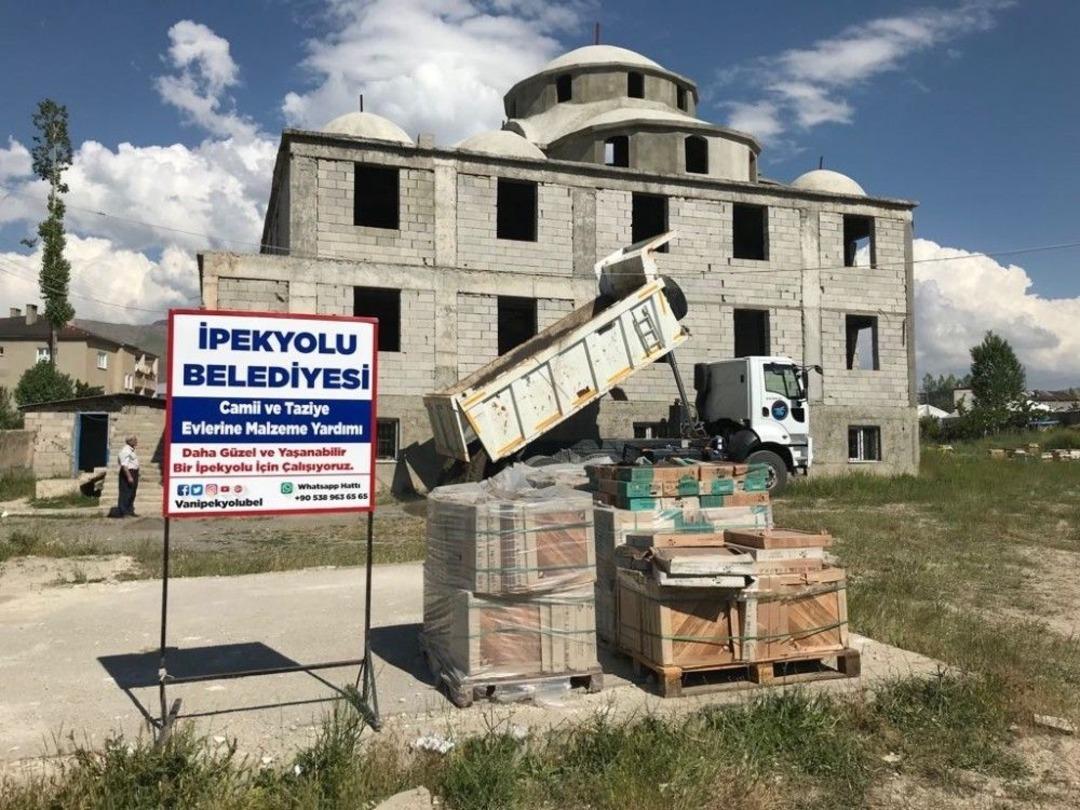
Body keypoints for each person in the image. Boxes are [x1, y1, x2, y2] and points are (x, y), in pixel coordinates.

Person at [117, 435, 140, 517]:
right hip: (128, 473)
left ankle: (130, 511)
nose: (136, 441)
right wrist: (129, 476)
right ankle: (123, 512)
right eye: (135, 439)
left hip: (134, 472)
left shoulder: (131, 450)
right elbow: (124, 466)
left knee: (132, 493)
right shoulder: (125, 450)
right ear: (130, 441)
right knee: (126, 493)